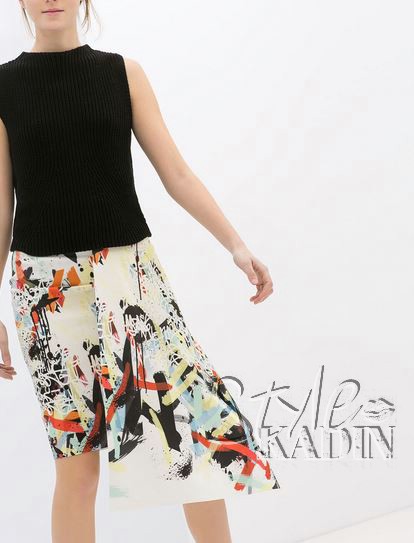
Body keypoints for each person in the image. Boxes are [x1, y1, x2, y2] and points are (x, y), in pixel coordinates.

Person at [0, 1, 281, 542]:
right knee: (77, 467)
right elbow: (0, 206)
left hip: (131, 279)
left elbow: (175, 172)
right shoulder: (3, 86)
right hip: (45, 294)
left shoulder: (121, 73)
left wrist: (236, 245)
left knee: (191, 442)